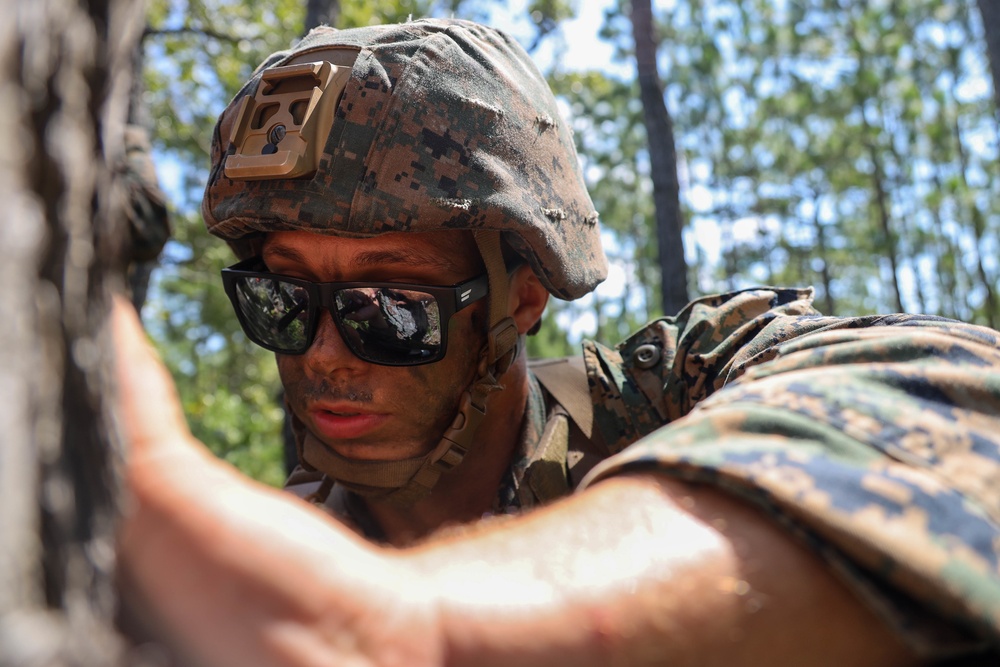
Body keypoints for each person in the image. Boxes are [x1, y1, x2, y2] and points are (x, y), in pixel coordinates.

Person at [115, 18, 1000, 666]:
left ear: (522, 297)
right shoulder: (258, 570)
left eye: (388, 308)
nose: (321, 356)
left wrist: (412, 625)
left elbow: (954, 387)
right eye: (280, 300)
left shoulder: (673, 395)